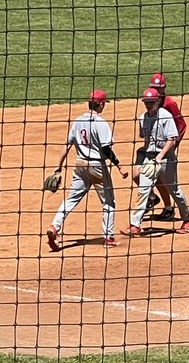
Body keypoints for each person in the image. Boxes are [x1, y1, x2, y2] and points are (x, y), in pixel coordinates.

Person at [46, 89, 129, 250]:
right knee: (108, 202)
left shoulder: (77, 121)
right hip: (97, 167)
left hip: (80, 165)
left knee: (71, 199)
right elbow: (106, 149)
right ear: (102, 104)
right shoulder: (100, 123)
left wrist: (59, 167)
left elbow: (67, 146)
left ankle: (55, 226)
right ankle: (108, 238)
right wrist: (119, 165)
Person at [126, 87, 189, 235]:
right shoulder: (142, 118)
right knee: (143, 190)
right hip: (150, 159)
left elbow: (172, 139)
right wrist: (147, 157)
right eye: (146, 102)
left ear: (158, 101)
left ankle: (188, 220)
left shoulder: (166, 116)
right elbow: (146, 139)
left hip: (166, 159)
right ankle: (134, 225)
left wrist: (160, 157)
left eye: (151, 102)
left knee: (174, 190)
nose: (149, 105)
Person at [146, 72, 187, 221]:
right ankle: (152, 197)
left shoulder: (169, 104)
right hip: (153, 148)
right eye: (154, 87)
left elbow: (182, 125)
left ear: (164, 88)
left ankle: (171, 209)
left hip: (167, 147)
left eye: (159, 88)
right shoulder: (150, 101)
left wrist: (173, 144)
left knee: (169, 183)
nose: (157, 90)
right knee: (139, 173)